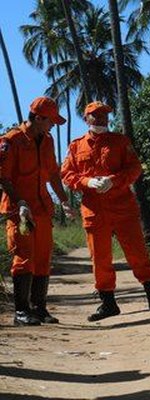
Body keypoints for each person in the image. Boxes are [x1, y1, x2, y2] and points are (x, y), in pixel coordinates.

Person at [61, 101, 150, 322]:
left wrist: (113, 181)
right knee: (100, 257)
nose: (101, 119)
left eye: (105, 115)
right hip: (94, 210)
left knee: (137, 251)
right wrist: (87, 182)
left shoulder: (120, 141)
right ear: (86, 119)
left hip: (123, 207)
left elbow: (135, 168)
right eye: (95, 116)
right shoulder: (76, 146)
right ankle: (108, 304)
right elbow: (67, 175)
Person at [0, 97, 72, 326]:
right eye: (50, 121)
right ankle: (21, 312)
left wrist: (64, 200)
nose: (53, 126)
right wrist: (19, 202)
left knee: (42, 258)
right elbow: (4, 177)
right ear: (39, 118)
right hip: (19, 211)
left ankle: (39, 308)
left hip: (42, 209)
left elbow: (52, 174)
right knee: (24, 258)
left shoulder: (47, 140)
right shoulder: (11, 141)